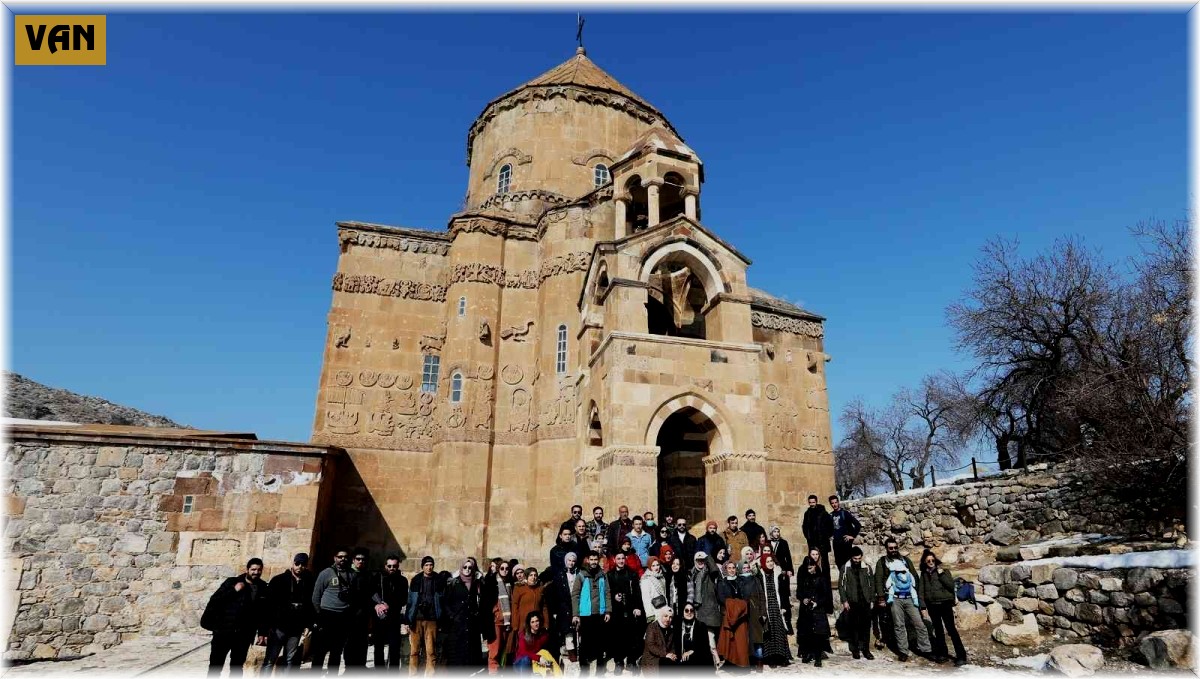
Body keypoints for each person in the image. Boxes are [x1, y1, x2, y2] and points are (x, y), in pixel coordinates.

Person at [203, 557, 268, 677]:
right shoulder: (232, 582)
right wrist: (234, 590)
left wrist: (262, 632)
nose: (256, 572)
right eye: (253, 569)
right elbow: (216, 601)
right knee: (215, 666)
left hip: (244, 635)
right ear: (247, 569)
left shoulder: (263, 587)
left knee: (237, 667)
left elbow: (263, 613)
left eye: (259, 570)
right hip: (223, 632)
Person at [874, 538, 931, 662]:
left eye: (895, 547)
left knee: (920, 624)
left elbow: (914, 576)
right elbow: (878, 580)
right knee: (899, 625)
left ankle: (926, 649)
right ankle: (903, 651)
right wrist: (881, 597)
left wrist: (918, 595)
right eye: (891, 548)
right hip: (894, 598)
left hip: (910, 597)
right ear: (887, 549)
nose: (893, 550)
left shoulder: (905, 560)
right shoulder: (882, 562)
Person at [263, 552, 314, 673]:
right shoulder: (279, 580)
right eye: (297, 563)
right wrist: (266, 628)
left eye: (303, 564)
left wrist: (308, 624)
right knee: (270, 660)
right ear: (293, 563)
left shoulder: (309, 582)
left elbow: (311, 605)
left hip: (296, 628)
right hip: (278, 627)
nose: (300, 567)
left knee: (289, 660)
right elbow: (268, 605)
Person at [311, 548, 359, 674]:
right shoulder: (326, 573)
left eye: (345, 557)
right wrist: (319, 615)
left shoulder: (352, 574)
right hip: (327, 614)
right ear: (335, 558)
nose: (343, 559)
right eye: (340, 556)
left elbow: (354, 595)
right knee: (320, 650)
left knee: (336, 650)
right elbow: (316, 596)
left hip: (343, 617)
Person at [919, 549, 968, 666]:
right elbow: (921, 591)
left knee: (951, 629)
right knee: (938, 630)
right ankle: (943, 654)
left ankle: (961, 656)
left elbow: (951, 586)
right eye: (928, 561)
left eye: (932, 560)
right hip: (932, 605)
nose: (931, 562)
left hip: (945, 603)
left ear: (935, 560)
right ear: (925, 562)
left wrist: (941, 574)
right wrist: (923, 606)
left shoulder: (944, 571)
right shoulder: (924, 574)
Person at [570, 551, 612, 674]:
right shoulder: (581, 575)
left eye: (595, 559)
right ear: (588, 560)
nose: (593, 562)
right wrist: (576, 614)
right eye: (591, 559)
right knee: (585, 642)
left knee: (600, 641)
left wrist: (608, 611)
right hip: (585, 614)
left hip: (600, 613)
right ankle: (584, 668)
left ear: (598, 560)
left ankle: (600, 668)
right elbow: (575, 595)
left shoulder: (603, 575)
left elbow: (607, 593)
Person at [606, 551, 644, 673]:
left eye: (623, 558)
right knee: (618, 636)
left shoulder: (632, 574)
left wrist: (637, 607)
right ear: (614, 560)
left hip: (630, 608)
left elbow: (637, 592)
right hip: (616, 610)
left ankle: (631, 661)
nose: (621, 561)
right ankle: (619, 661)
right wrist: (614, 597)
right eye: (619, 558)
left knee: (631, 636)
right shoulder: (610, 575)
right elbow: (607, 592)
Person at [751, 554, 791, 668]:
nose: (770, 563)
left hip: (776, 605)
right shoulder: (760, 575)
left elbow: (783, 592)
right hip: (766, 606)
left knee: (779, 631)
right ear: (763, 562)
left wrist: (784, 606)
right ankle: (771, 658)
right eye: (767, 561)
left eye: (771, 561)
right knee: (768, 632)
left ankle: (782, 656)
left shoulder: (778, 575)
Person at [443, 558, 485, 667]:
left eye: (470, 567)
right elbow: (446, 602)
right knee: (457, 652)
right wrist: (452, 616)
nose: (467, 570)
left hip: (471, 623)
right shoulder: (454, 583)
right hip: (457, 623)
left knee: (471, 652)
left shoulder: (477, 584)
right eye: (465, 567)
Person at [371, 554, 409, 672]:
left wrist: (389, 605)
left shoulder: (402, 580)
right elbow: (369, 594)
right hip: (379, 618)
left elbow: (403, 599)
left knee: (394, 647)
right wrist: (376, 605)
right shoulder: (377, 578)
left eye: (394, 566)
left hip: (394, 618)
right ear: (385, 566)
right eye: (389, 566)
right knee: (378, 647)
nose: (392, 568)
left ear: (398, 566)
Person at [838, 546, 876, 660]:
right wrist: (844, 601)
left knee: (865, 626)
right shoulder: (845, 568)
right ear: (851, 558)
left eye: (859, 558)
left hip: (865, 601)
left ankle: (866, 650)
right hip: (852, 602)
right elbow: (841, 586)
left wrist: (872, 600)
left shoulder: (867, 568)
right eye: (855, 559)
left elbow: (872, 585)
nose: (857, 561)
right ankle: (855, 650)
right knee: (854, 626)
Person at [407, 555, 443, 676]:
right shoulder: (416, 579)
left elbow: (442, 600)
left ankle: (430, 675)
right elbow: (410, 601)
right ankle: (412, 675)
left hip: (432, 620)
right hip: (416, 619)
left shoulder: (438, 579)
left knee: (431, 651)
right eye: (426, 565)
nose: (429, 567)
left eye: (431, 565)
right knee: (414, 651)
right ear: (422, 566)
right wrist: (408, 619)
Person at [508, 566, 551, 664]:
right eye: (531, 575)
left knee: (536, 646)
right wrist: (515, 624)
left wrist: (546, 624)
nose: (533, 577)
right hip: (523, 623)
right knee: (522, 647)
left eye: (535, 575)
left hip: (536, 623)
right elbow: (515, 606)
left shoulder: (540, 589)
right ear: (526, 577)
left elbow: (544, 607)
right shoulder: (519, 588)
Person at [795, 556, 832, 666]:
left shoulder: (821, 578)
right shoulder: (805, 578)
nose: (809, 570)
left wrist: (818, 602)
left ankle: (818, 657)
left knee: (818, 635)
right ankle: (808, 654)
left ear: (815, 566)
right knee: (808, 634)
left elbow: (825, 595)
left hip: (818, 610)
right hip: (808, 610)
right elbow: (799, 592)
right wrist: (803, 599)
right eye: (808, 568)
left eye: (811, 568)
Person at [687, 552, 722, 666]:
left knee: (710, 638)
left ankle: (716, 661)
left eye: (703, 560)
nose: (700, 562)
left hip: (709, 611)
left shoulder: (710, 572)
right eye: (698, 560)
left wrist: (708, 557)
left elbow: (715, 569)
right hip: (697, 610)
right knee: (701, 640)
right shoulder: (692, 573)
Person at [715, 561, 750, 670]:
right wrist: (734, 605)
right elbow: (721, 598)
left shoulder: (741, 581)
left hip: (740, 615)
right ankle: (729, 663)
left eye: (733, 567)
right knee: (729, 641)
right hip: (728, 615)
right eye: (729, 568)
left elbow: (746, 596)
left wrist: (739, 607)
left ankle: (740, 663)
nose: (731, 570)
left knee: (740, 641)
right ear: (725, 570)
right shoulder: (722, 583)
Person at [484, 559, 515, 673]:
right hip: (496, 622)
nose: (505, 571)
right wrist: (495, 612)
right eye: (502, 568)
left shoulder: (509, 583)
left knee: (504, 650)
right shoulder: (492, 582)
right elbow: (486, 602)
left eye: (507, 568)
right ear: (498, 569)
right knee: (494, 650)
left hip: (507, 622)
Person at [547, 551, 580, 662]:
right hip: (564, 606)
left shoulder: (579, 573)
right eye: (569, 561)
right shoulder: (560, 575)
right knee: (567, 630)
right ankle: (571, 652)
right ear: (566, 561)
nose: (571, 563)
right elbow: (555, 594)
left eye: (573, 561)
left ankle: (579, 649)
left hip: (577, 603)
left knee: (578, 627)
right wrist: (556, 610)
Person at [343, 548, 373, 668]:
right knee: (349, 642)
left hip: (363, 615)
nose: (360, 561)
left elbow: (371, 594)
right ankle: (349, 667)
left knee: (362, 642)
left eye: (363, 559)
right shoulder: (347, 573)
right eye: (358, 559)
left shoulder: (367, 575)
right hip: (349, 614)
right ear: (353, 560)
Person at [678, 601, 716, 670]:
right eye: (686, 610)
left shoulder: (701, 626)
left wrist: (692, 651)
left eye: (691, 610)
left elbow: (705, 646)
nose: (689, 612)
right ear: (683, 612)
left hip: (698, 656)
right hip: (683, 657)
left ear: (694, 612)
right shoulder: (678, 626)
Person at [801, 496, 833, 576]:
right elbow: (804, 526)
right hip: (812, 542)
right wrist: (808, 536)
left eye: (813, 502)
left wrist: (827, 535)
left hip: (822, 543)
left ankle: (826, 584)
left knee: (824, 563)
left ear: (816, 502)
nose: (812, 504)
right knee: (813, 562)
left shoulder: (823, 512)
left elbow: (830, 525)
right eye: (810, 502)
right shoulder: (807, 513)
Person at [829, 495, 862, 572]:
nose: (834, 504)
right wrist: (830, 535)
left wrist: (852, 536)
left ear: (838, 502)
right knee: (838, 563)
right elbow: (828, 528)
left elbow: (857, 525)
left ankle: (850, 581)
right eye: (832, 503)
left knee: (848, 563)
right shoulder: (830, 515)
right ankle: (843, 580)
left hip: (845, 543)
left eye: (836, 502)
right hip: (836, 543)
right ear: (830, 504)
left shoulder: (845, 513)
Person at [640, 607, 677, 675]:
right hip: (652, 660)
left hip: (665, 658)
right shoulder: (652, 627)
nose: (668, 619)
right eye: (665, 616)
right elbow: (651, 646)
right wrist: (666, 654)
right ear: (661, 616)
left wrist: (672, 654)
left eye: (670, 617)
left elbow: (672, 646)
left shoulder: (670, 629)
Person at [640, 557, 668, 626]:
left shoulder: (662, 577)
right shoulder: (645, 579)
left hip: (664, 609)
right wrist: (650, 616)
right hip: (654, 611)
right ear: (649, 566)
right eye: (653, 565)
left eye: (657, 565)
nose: (656, 567)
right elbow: (646, 599)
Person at [806, 547, 835, 614]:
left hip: (820, 599)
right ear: (809, 555)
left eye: (817, 554)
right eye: (813, 554)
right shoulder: (806, 566)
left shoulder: (822, 566)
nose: (815, 557)